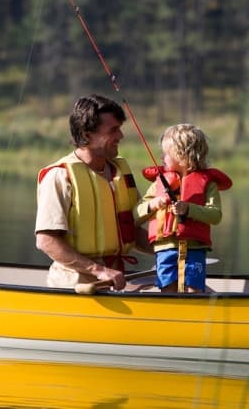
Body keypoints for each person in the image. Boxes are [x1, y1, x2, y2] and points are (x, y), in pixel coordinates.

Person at [35, 94, 150, 289]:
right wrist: (98, 270)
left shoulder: (119, 171)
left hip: (118, 279)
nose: (120, 136)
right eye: (113, 130)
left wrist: (170, 251)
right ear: (87, 135)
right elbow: (46, 241)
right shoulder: (59, 176)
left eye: (119, 129)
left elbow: (132, 231)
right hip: (76, 284)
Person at [135, 124, 232, 293]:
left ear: (183, 155)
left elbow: (215, 215)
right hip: (164, 249)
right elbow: (135, 216)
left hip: (195, 249)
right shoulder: (159, 183)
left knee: (194, 289)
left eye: (166, 153)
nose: (161, 157)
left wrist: (188, 209)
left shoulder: (207, 184)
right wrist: (154, 203)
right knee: (167, 289)